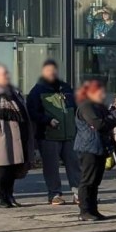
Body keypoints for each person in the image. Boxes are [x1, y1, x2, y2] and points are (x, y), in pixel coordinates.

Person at [27, 60, 81, 205]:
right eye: (48, 71)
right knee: (51, 167)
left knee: (74, 164)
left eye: (54, 71)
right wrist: (47, 120)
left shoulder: (66, 88)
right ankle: (55, 194)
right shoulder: (37, 91)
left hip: (69, 134)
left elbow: (75, 109)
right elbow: (32, 112)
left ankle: (78, 193)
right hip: (48, 135)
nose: (52, 74)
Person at [0, 63, 31, 208]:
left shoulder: (14, 92)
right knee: (1, 169)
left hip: (17, 137)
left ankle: (9, 195)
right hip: (2, 139)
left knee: (12, 169)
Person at [74, 80, 116, 221]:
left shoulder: (99, 107)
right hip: (89, 147)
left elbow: (106, 124)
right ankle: (84, 211)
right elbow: (99, 124)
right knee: (88, 180)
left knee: (95, 181)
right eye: (100, 92)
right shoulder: (86, 106)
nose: (103, 95)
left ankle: (93, 209)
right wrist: (114, 118)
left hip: (100, 147)